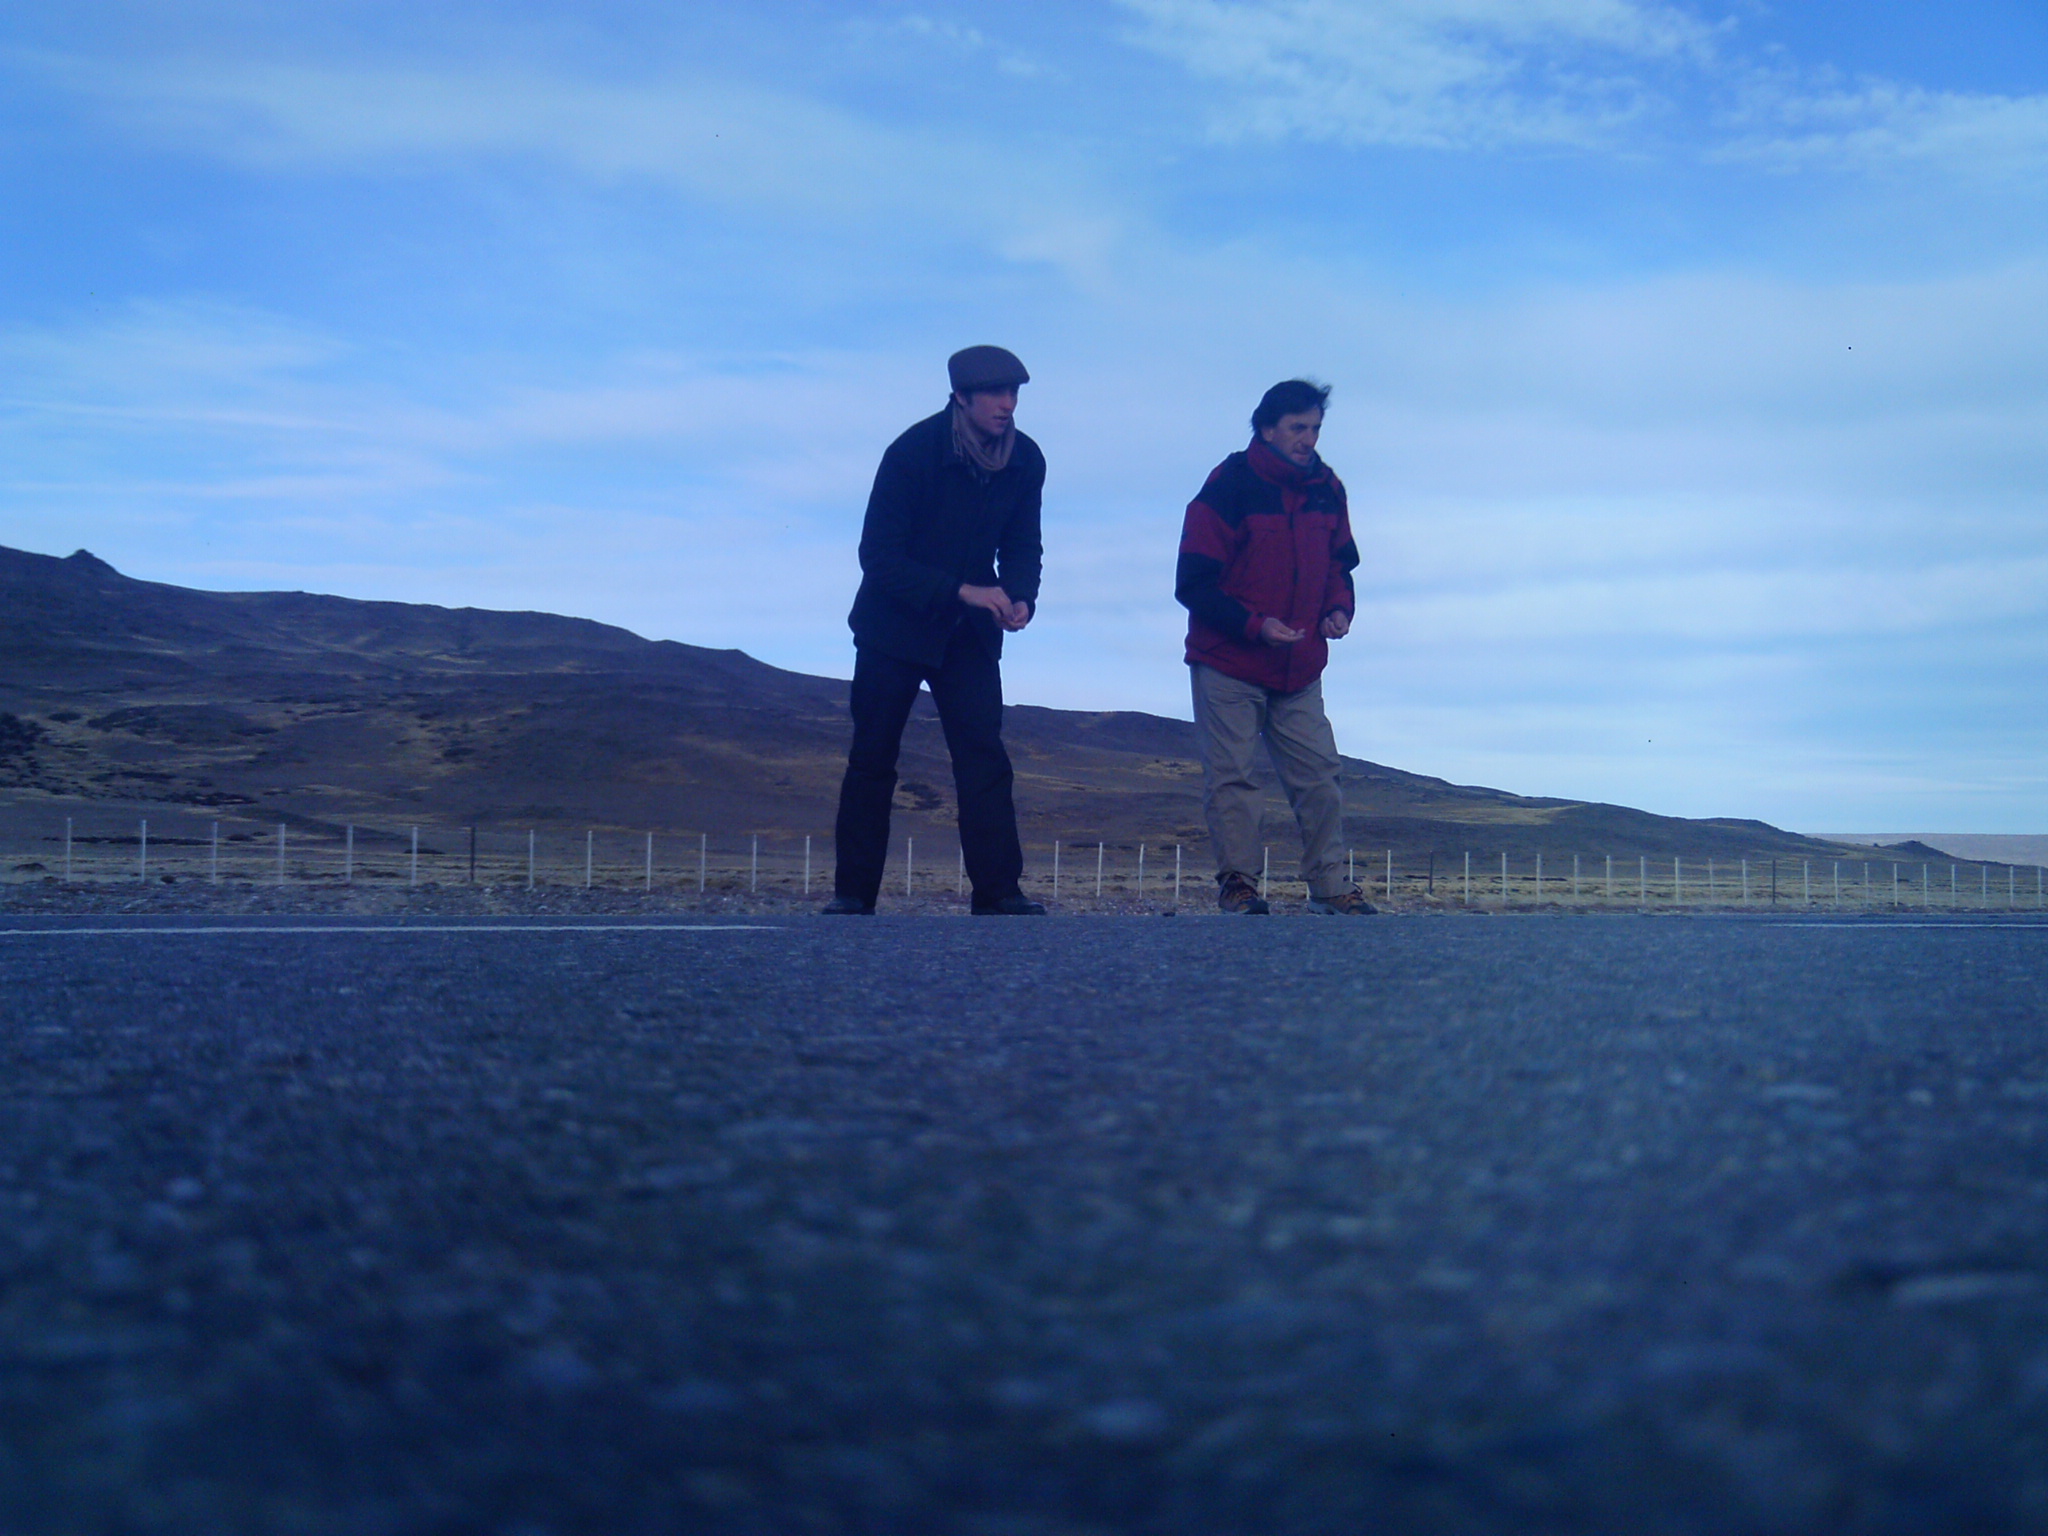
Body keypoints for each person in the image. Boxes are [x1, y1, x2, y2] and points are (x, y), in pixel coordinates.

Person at [822, 345, 1047, 915]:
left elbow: (1023, 542)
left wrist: (1021, 596)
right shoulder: (912, 452)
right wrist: (964, 591)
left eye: (1013, 392)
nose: (1007, 403)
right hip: (893, 626)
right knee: (873, 756)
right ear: (961, 397)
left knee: (983, 757)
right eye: (994, 393)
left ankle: (999, 892)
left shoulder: (1026, 459)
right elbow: (878, 557)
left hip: (968, 634)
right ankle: (853, 895)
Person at [1174, 379, 1377, 915]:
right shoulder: (1228, 485)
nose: (1308, 439)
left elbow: (1340, 564)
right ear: (1266, 429)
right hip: (1229, 662)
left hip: (1299, 666)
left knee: (1320, 776)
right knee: (1234, 779)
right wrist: (1254, 625)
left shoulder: (1326, 488)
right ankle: (1238, 884)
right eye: (1297, 428)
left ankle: (1329, 886)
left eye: (1315, 428)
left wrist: (1338, 608)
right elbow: (1193, 582)